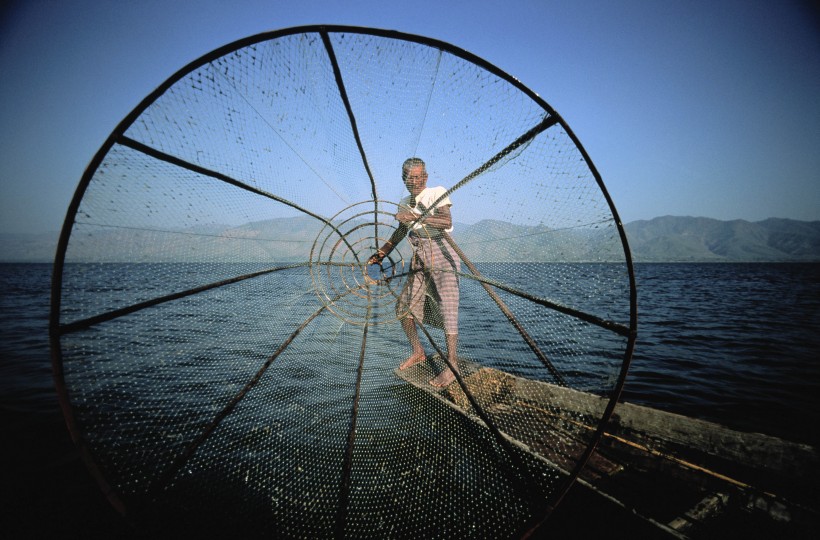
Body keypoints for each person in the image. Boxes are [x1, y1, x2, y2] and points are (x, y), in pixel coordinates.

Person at [368, 158, 461, 387]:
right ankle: (418, 351)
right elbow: (400, 233)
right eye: (411, 178)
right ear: (404, 180)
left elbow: (444, 220)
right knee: (404, 307)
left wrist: (415, 217)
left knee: (447, 308)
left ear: (426, 177)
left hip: (441, 254)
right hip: (419, 256)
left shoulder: (436, 192)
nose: (416, 181)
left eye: (420, 177)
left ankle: (452, 365)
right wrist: (380, 255)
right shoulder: (404, 203)